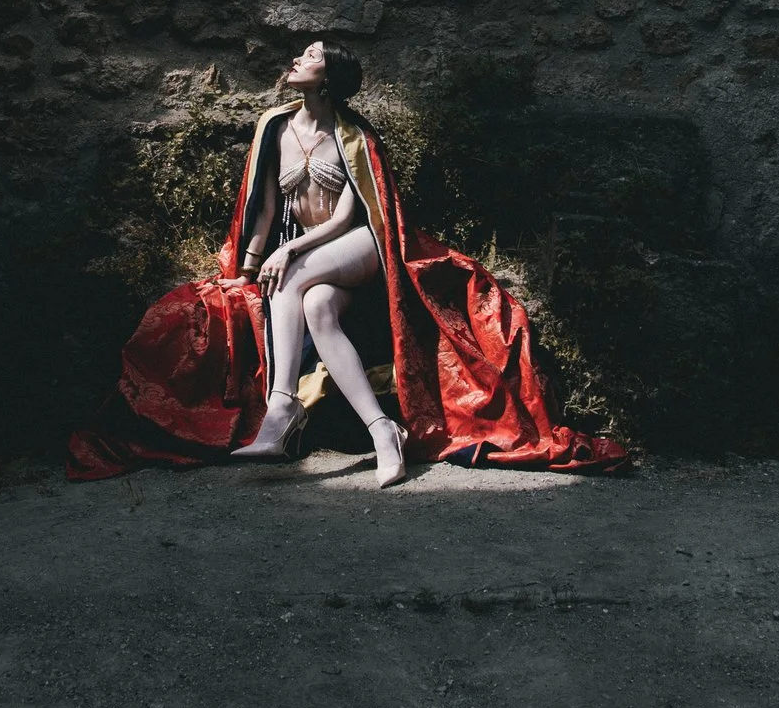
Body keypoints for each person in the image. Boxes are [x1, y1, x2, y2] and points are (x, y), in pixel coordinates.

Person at [67, 41, 628, 487]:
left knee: (297, 276)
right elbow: (261, 205)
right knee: (314, 304)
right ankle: (384, 432)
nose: (296, 60)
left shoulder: (354, 137)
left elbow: (349, 217)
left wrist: (289, 252)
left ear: (329, 77)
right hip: (307, 255)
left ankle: (281, 413)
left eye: (309, 56)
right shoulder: (274, 126)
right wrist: (250, 260)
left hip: (360, 244)